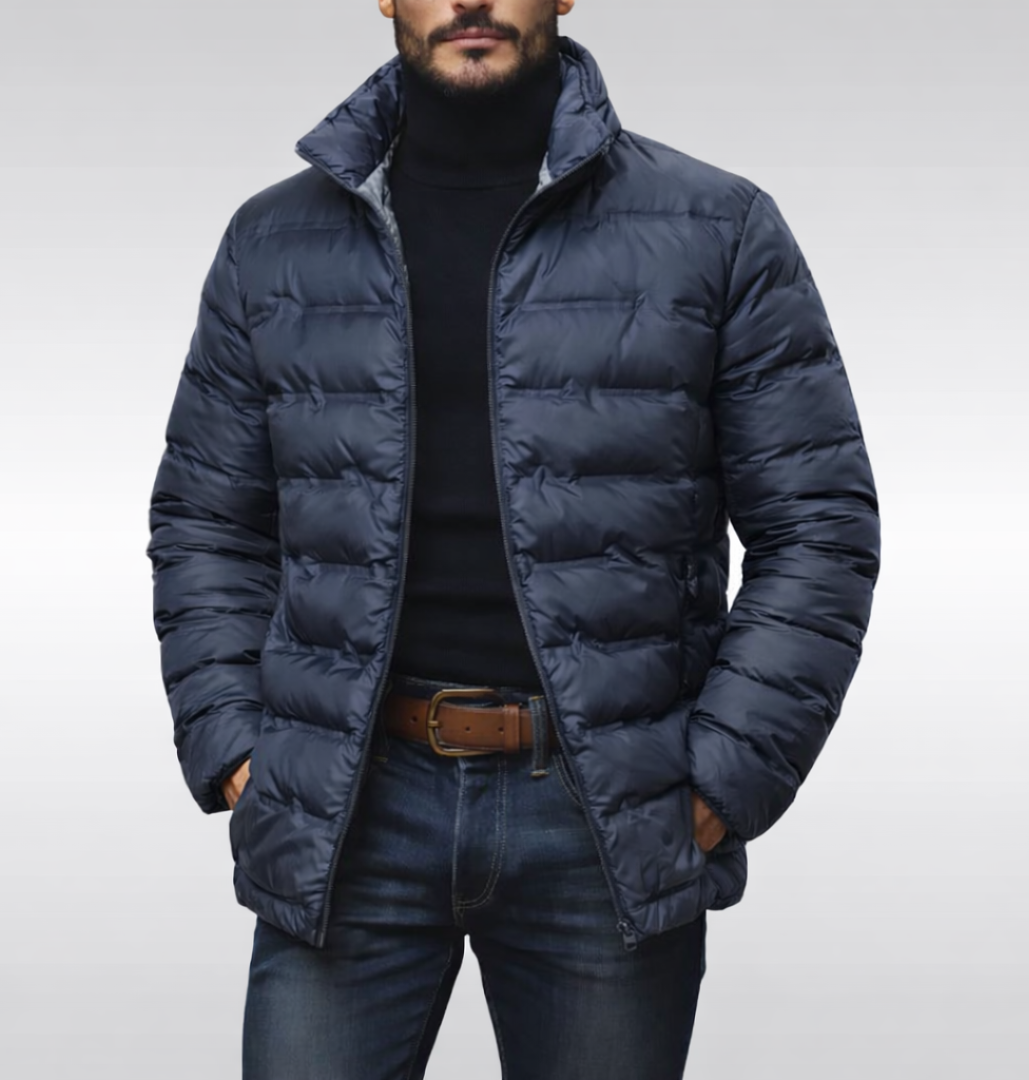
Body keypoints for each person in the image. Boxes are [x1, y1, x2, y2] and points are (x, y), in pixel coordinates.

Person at [146, 1, 880, 1076]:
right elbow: (207, 521)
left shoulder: (716, 228)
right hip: (345, 811)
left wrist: (720, 781)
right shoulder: (273, 242)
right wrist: (239, 754)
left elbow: (819, 526)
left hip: (606, 817)